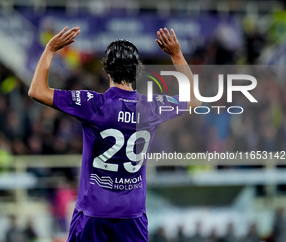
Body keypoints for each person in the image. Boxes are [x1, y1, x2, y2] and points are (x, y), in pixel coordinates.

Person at [28, 26, 201, 242]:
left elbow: (37, 91)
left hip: (93, 212)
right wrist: (176, 55)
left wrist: (50, 49)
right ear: (137, 71)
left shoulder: (93, 104)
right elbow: (194, 100)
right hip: (132, 214)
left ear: (107, 70)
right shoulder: (152, 106)